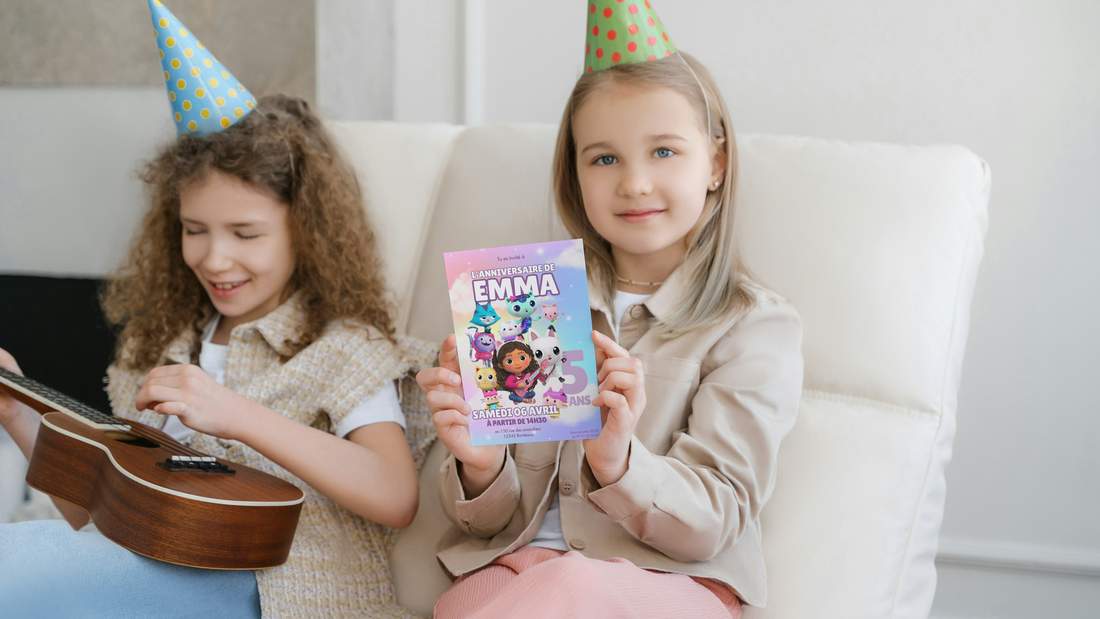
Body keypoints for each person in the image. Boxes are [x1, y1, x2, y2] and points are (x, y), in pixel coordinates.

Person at [0, 4, 434, 618]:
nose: (215, 257)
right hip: (148, 566)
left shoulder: (343, 347)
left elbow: (395, 495)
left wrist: (234, 413)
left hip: (277, 590)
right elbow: (94, 509)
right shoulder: (164, 347)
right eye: (194, 229)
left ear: (306, 232)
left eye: (246, 233)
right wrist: (18, 413)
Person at [416, 2, 804, 618]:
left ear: (717, 165)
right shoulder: (528, 297)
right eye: (604, 158)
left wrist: (618, 461)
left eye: (665, 152)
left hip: (675, 582)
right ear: (575, 175)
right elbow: (486, 527)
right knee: (459, 606)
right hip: (524, 568)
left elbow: (716, 518)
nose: (634, 183)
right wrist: (480, 462)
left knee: (572, 588)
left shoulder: (752, 324)